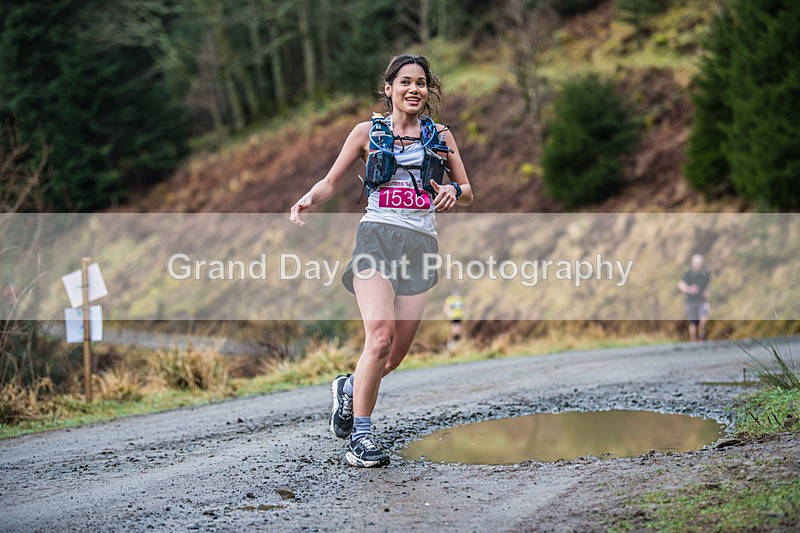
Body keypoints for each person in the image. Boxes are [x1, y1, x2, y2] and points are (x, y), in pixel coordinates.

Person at [290, 54, 473, 467]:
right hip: (376, 239)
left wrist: (454, 193)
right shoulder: (365, 133)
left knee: (393, 357)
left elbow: (467, 188)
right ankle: (362, 437)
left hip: (421, 245)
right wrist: (307, 198)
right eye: (405, 82)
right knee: (381, 336)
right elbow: (330, 182)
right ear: (388, 89)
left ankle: (349, 388)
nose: (414, 89)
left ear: (428, 91)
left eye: (421, 83)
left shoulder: (441, 135)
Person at [677, 254, 711, 341]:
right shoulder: (688, 275)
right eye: (697, 263)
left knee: (704, 319)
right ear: (693, 264)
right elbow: (680, 285)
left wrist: (707, 291)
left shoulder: (706, 274)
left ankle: (702, 336)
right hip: (690, 301)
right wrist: (689, 290)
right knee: (693, 322)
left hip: (702, 300)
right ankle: (694, 340)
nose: (699, 265)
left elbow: (708, 285)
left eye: (701, 263)